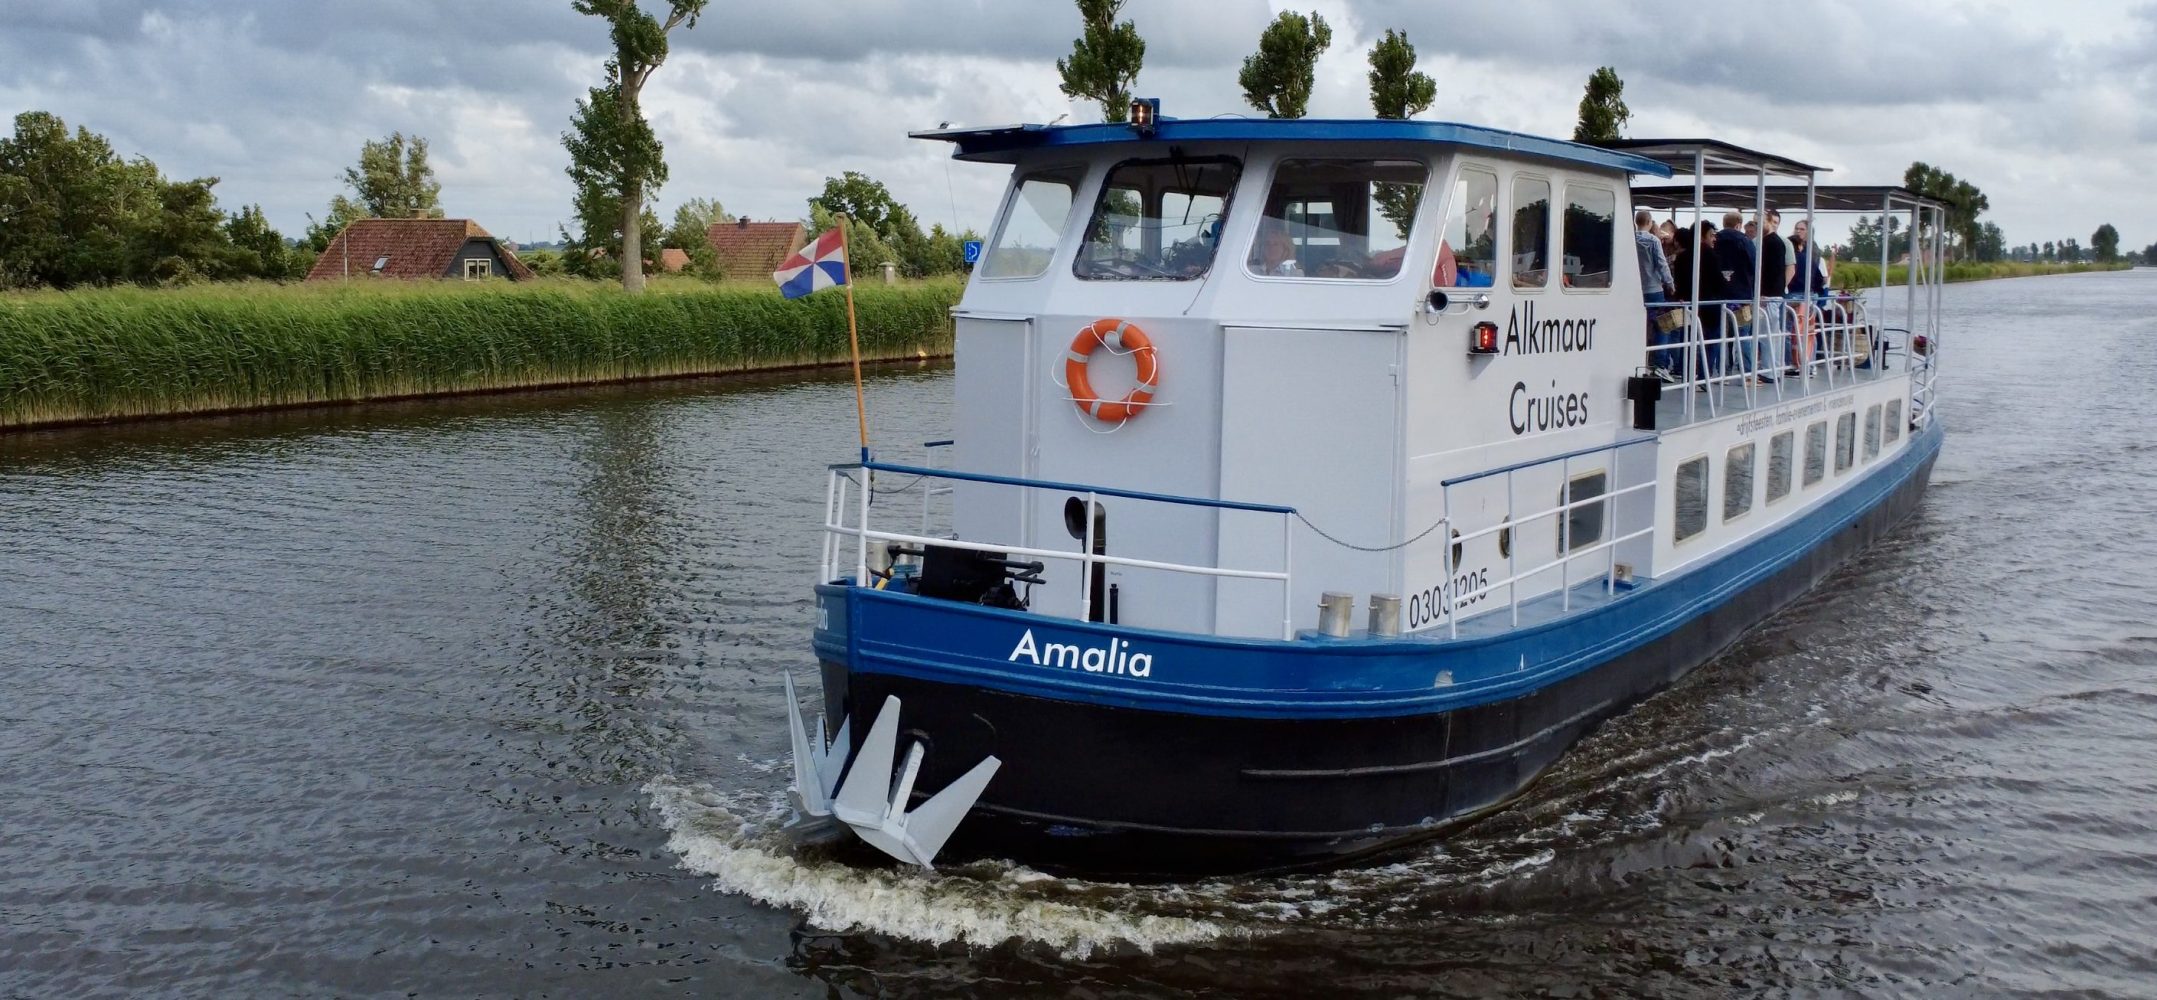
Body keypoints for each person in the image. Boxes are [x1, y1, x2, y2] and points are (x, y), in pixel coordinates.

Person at [1672, 221, 1729, 384]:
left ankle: (1688, 375)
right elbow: (1719, 281)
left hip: (1690, 305)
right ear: (1703, 236)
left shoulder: (1682, 257)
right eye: (1711, 235)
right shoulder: (1711, 255)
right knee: (1711, 342)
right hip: (1710, 305)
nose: (1714, 239)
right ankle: (1705, 376)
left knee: (1689, 342)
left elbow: (1679, 283)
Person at [1715, 211, 1764, 382]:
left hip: (1718, 294)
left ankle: (1722, 372)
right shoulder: (1745, 241)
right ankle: (1748, 373)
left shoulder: (1715, 240)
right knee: (1743, 335)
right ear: (1739, 224)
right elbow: (1755, 265)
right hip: (1742, 294)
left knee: (1721, 335)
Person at [1634, 209, 1679, 379]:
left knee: (1641, 326)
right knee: (1663, 326)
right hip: (1654, 289)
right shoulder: (1653, 240)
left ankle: (1639, 359)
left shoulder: (1630, 239)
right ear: (1650, 222)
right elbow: (1661, 264)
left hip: (1636, 290)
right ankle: (1660, 364)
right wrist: (1670, 283)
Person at [1758, 209, 1793, 375]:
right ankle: (1773, 370)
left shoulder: (1772, 243)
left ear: (1769, 222)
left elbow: (1772, 271)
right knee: (1771, 334)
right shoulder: (1772, 242)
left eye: (1760, 222)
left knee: (1769, 335)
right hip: (1773, 295)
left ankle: (1769, 372)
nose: (1758, 225)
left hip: (1770, 296)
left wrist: (1765, 293)